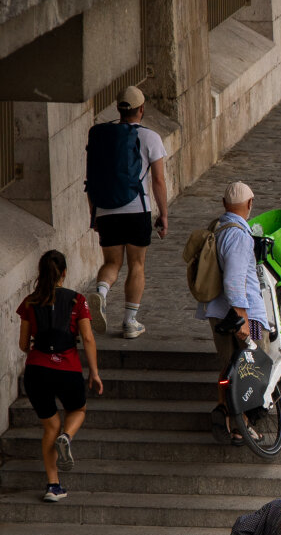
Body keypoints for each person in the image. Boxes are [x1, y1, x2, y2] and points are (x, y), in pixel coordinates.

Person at [16, 250, 103, 502]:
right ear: (64, 272)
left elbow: (23, 344)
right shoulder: (77, 301)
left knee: (49, 427)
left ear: (40, 273)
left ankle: (53, 485)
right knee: (78, 410)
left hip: (37, 371)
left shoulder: (30, 302)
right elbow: (87, 338)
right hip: (67, 369)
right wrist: (95, 373)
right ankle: (68, 436)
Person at [85, 85, 168, 340]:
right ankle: (130, 322)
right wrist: (163, 215)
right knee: (137, 265)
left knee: (111, 263)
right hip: (136, 209)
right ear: (141, 109)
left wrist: (95, 214)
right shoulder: (150, 138)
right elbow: (158, 181)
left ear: (119, 109)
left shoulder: (101, 136)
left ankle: (101, 292)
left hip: (106, 210)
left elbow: (92, 177)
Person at [195, 180, 269, 445]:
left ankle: (224, 410)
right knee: (252, 364)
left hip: (217, 311)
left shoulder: (220, 227)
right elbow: (235, 282)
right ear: (249, 204)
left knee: (227, 366)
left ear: (225, 204)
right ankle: (243, 423)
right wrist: (244, 319)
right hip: (241, 314)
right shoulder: (239, 235)